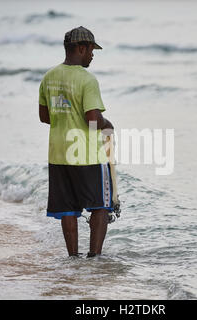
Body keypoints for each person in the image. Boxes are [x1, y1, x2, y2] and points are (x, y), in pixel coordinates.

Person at [38, 26, 114, 258]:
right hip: (85, 154)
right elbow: (92, 120)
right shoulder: (87, 80)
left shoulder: (49, 77)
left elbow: (44, 117)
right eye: (91, 50)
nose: (92, 55)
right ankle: (95, 257)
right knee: (100, 205)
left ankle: (73, 259)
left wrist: (66, 117)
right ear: (81, 48)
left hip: (59, 153)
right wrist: (107, 122)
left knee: (68, 209)